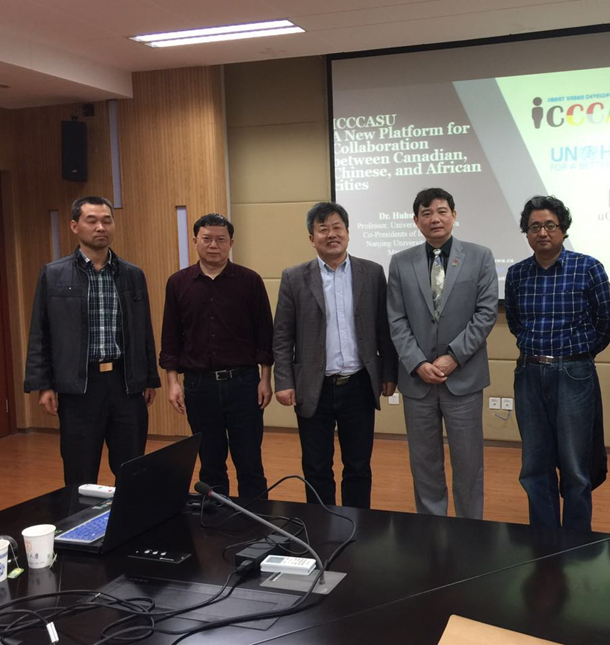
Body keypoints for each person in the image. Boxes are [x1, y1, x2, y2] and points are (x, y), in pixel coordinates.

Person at [24, 195, 159, 485]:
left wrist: (149, 377)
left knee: (132, 467)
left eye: (107, 220)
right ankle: (80, 515)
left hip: (125, 383)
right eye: (92, 220)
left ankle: (128, 515)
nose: (101, 227)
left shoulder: (132, 274)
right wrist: (43, 384)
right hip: (79, 387)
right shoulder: (53, 274)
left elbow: (143, 330)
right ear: (74, 226)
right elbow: (40, 332)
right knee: (79, 470)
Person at [273, 202, 397, 509]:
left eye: (337, 227)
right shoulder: (294, 277)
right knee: (316, 467)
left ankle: (358, 525)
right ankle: (321, 526)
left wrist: (388, 374)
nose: (331, 235)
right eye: (323, 229)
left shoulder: (372, 273)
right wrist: (284, 381)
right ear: (311, 238)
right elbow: (283, 335)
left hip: (358, 384)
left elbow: (384, 329)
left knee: (358, 466)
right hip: (313, 386)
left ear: (348, 233)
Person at [387, 187, 498, 519]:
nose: (434, 218)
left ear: (454, 215)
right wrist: (417, 362)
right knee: (424, 463)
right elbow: (396, 318)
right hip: (418, 382)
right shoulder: (400, 262)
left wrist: (453, 357)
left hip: (463, 378)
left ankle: (469, 528)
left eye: (441, 211)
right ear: (416, 220)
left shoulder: (480, 256)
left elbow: (486, 314)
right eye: (426, 213)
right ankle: (431, 527)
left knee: (468, 462)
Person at [504, 195, 610, 533]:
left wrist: (578, 355)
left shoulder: (588, 267)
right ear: (526, 232)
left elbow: (604, 322)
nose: (542, 232)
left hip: (574, 373)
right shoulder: (516, 274)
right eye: (534, 226)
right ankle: (545, 538)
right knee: (534, 465)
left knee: (576, 465)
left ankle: (576, 540)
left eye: (550, 225)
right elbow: (516, 323)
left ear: (563, 229)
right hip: (529, 372)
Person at [159, 214, 273, 502]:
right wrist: (172, 382)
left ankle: (256, 520)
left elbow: (265, 334)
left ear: (231, 243)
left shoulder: (249, 281)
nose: (214, 245)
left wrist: (265, 379)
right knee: (210, 463)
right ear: (195, 241)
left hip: (244, 384)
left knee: (249, 460)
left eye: (221, 239)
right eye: (207, 239)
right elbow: (170, 337)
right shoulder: (178, 283)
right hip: (199, 386)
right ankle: (215, 521)